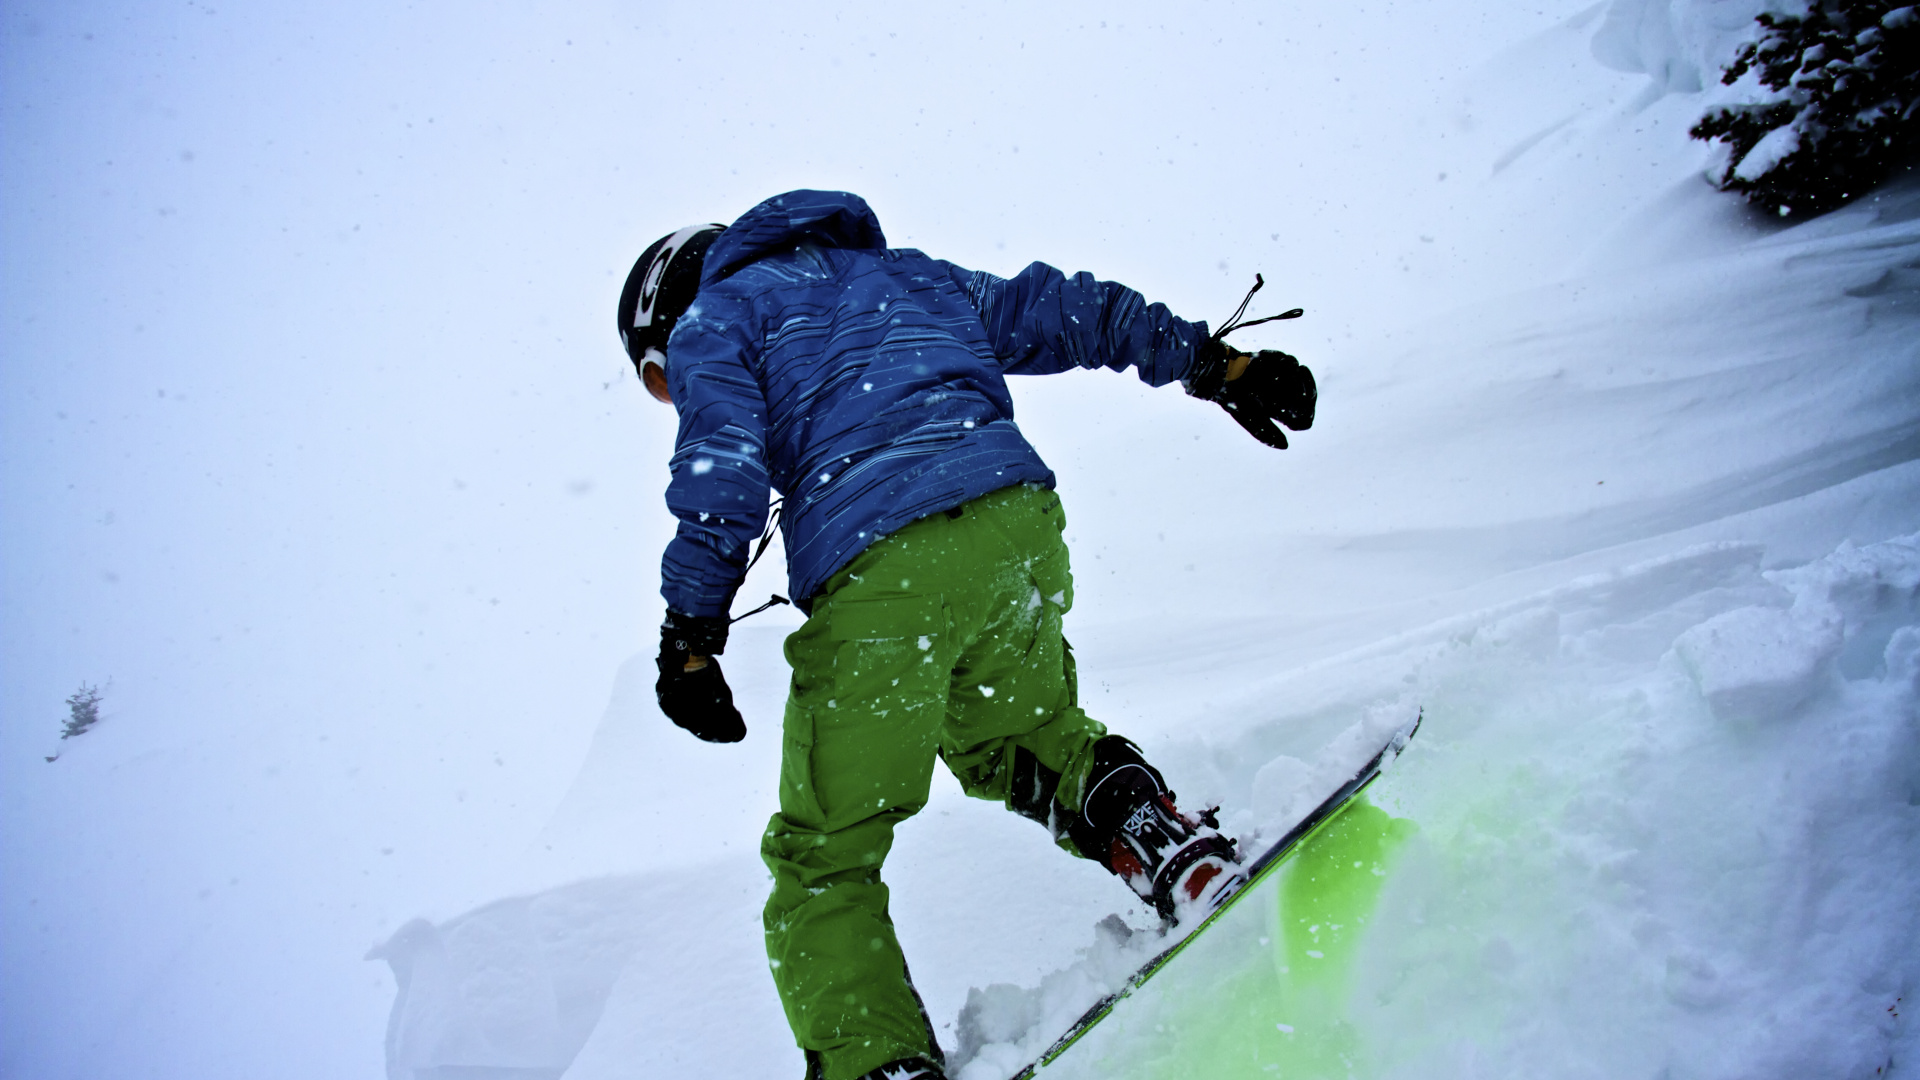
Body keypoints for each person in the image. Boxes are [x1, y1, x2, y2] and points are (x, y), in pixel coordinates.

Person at [615, 190, 1315, 1080]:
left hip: (880, 573)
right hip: (1008, 526)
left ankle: (879, 1062)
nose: (672, 390)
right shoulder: (903, 275)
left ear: (667, 316)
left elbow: (724, 466)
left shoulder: (716, 315)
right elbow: (1062, 311)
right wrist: (1217, 363)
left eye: (659, 376)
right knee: (1026, 737)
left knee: (825, 855)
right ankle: (1162, 840)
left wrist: (690, 632)